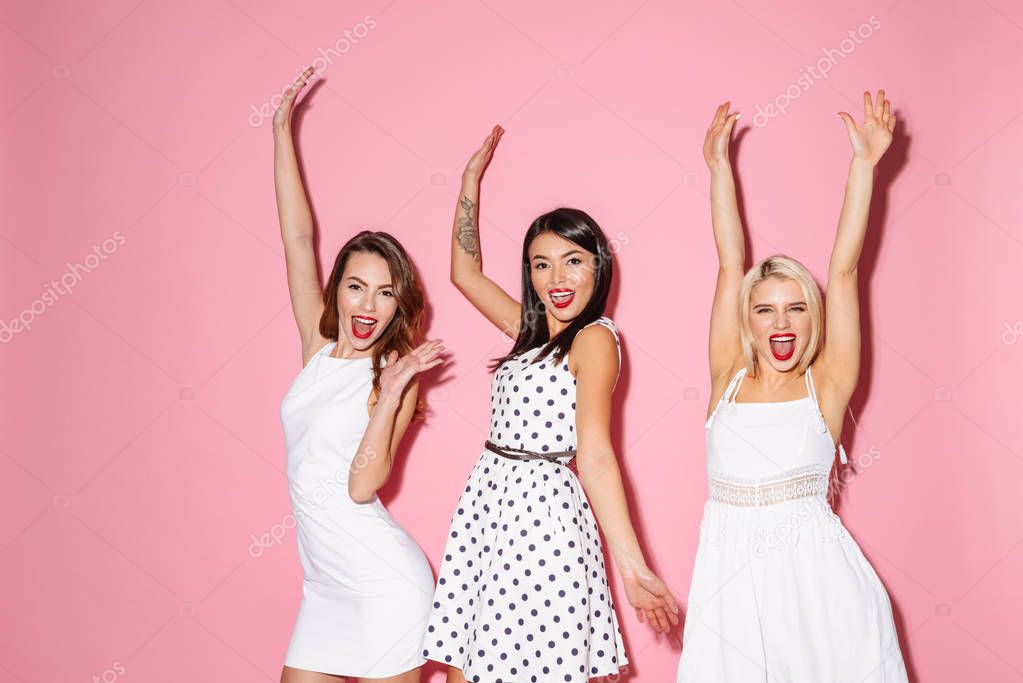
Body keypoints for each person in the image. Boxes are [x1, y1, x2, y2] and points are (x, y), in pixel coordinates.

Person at [422, 125, 679, 683]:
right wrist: (470, 181)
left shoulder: (594, 339)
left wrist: (633, 566)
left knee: (527, 667)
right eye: (541, 264)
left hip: (542, 522)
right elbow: (463, 273)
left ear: (598, 266)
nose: (557, 278)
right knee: (469, 667)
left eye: (573, 260)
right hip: (490, 505)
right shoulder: (532, 334)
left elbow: (596, 455)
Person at [676, 93, 908, 681]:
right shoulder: (726, 376)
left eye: (796, 308)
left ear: (814, 317)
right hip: (729, 597)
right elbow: (730, 263)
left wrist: (864, 167)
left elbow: (845, 268)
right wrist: (719, 169)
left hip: (821, 603)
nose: (781, 323)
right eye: (766, 310)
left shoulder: (826, 387)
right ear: (746, 320)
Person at [274, 66, 442, 683]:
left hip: (383, 587)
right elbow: (297, 237)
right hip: (322, 588)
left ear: (400, 304)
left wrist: (393, 391)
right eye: (356, 287)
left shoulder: (395, 372)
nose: (368, 307)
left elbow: (363, 487)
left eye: (386, 293)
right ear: (337, 292)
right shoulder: (315, 349)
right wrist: (280, 132)